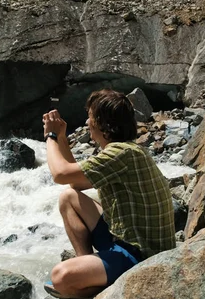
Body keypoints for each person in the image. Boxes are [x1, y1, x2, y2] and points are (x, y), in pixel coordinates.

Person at [42, 89, 176, 299]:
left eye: (91, 116)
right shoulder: (123, 151)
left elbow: (60, 174)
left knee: (60, 277)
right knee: (68, 198)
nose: (87, 122)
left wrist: (50, 136)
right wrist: (61, 138)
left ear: (104, 125)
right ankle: (86, 266)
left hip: (140, 255)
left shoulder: (122, 153)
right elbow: (74, 183)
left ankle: (104, 290)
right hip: (122, 240)